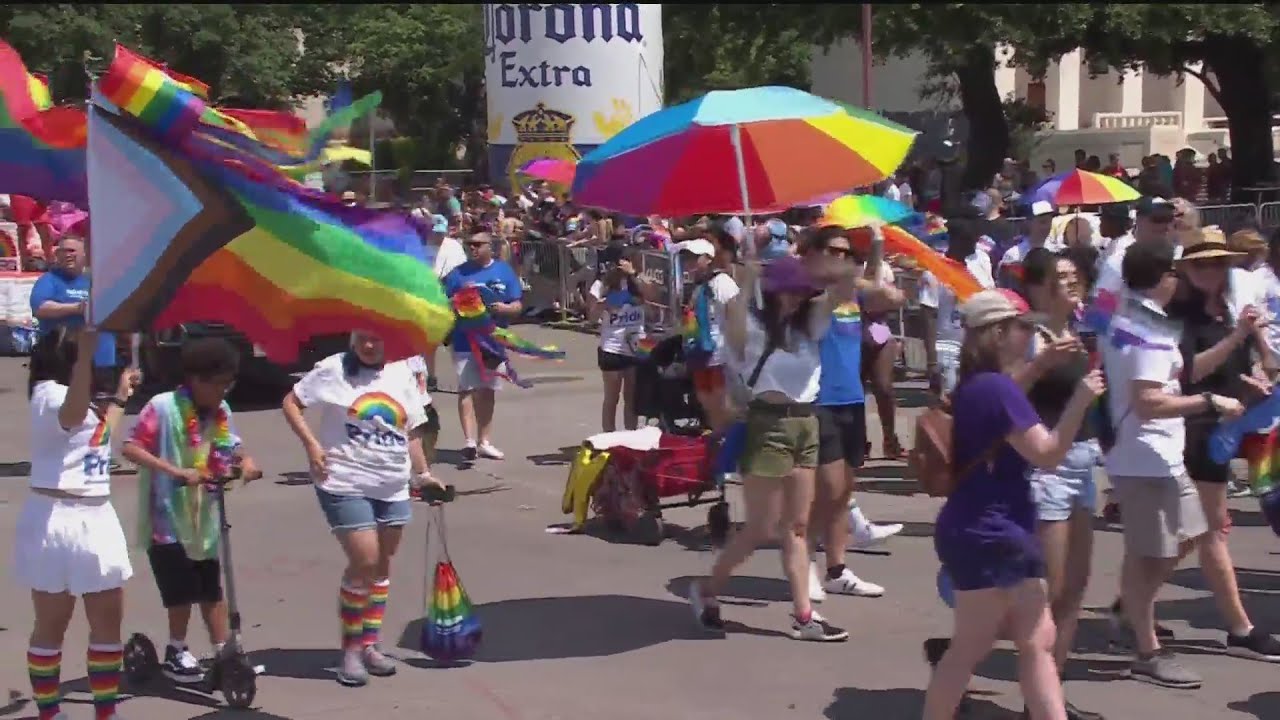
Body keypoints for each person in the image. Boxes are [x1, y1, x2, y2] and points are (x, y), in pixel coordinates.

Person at [923, 290, 1104, 720]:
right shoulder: (997, 388)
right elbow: (1049, 453)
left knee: (1035, 639)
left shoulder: (979, 386)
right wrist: (1080, 399)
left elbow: (1010, 403)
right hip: (993, 531)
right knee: (972, 649)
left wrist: (1042, 367)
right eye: (1025, 328)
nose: (1032, 336)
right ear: (999, 333)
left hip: (988, 527)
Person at [688, 255, 853, 642]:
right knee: (760, 527)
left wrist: (855, 250)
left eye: (799, 292)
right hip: (768, 424)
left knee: (796, 527)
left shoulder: (809, 324)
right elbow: (734, 323)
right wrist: (748, 280)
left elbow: (845, 284)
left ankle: (804, 617)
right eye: (787, 291)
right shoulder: (749, 325)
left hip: (805, 424)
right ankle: (707, 589)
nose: (794, 299)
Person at [1102, 240, 1235, 689]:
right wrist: (1210, 401)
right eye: (1175, 272)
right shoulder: (1146, 329)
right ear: (1164, 277)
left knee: (1194, 535)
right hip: (1146, 458)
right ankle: (1145, 647)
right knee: (1151, 559)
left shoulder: (1132, 319)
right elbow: (1148, 401)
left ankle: (1130, 613)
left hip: (1155, 456)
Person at [281, 330, 439, 686]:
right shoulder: (333, 369)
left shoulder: (404, 371)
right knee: (364, 560)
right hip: (343, 480)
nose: (370, 345)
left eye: (377, 338)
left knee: (382, 564)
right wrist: (312, 446)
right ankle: (351, 651)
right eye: (363, 339)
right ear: (352, 339)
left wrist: (425, 474)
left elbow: (411, 431)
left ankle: (370, 643)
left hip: (393, 483)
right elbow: (291, 403)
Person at [1156, 231, 1280, 664]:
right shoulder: (1179, 316)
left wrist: (1258, 349)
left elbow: (1267, 366)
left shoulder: (1229, 311)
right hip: (1193, 425)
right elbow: (1189, 372)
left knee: (1191, 533)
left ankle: (1129, 603)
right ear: (1186, 271)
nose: (1213, 271)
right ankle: (1240, 627)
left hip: (1226, 426)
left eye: (1220, 263)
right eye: (1202, 264)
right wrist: (1235, 338)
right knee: (1211, 529)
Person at [15, 327, 140, 720]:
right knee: (52, 622)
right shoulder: (49, 395)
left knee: (107, 622)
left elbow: (97, 438)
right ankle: (49, 713)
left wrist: (121, 395)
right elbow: (71, 415)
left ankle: (105, 713)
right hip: (56, 518)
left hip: (96, 516)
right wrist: (87, 356)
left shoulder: (80, 402)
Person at [121, 338, 261, 684]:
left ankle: (224, 652)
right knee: (180, 590)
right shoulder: (162, 406)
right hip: (165, 516)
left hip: (204, 518)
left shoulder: (221, 411)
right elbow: (131, 447)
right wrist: (176, 471)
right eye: (219, 384)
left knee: (211, 587)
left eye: (229, 384)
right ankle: (176, 650)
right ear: (197, 380)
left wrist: (246, 461)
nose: (224, 391)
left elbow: (232, 444)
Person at [1021, 250, 1106, 720]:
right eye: (1060, 277)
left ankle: (1053, 695)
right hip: (1045, 466)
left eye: (1075, 275)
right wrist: (1041, 365)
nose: (1071, 283)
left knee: (1076, 585)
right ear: (1037, 286)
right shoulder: (1029, 335)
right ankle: (1035, 699)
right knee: (1048, 593)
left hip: (1081, 460)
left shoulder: (1077, 332)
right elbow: (1005, 394)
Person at [802, 225, 904, 602]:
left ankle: (837, 569)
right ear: (813, 253)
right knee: (826, 492)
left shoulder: (852, 295)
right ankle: (807, 566)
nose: (840, 258)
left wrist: (875, 248)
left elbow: (888, 296)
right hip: (818, 400)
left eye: (847, 253)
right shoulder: (808, 292)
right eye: (833, 250)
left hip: (851, 400)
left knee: (843, 493)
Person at [443, 230, 523, 460]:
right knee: (467, 388)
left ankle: (484, 441)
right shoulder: (458, 273)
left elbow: (517, 304)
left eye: (478, 244)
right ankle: (469, 442)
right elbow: (444, 303)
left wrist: (505, 309)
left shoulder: (503, 271)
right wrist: (458, 301)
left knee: (487, 390)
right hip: (464, 339)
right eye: (470, 244)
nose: (473, 248)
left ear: (491, 246)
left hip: (493, 340)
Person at [29, 233, 119, 396]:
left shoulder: (98, 280)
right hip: (61, 358)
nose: (67, 255)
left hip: (101, 359)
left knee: (100, 414)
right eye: (62, 251)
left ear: (85, 254)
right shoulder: (49, 280)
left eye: (71, 251)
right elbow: (41, 308)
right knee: (61, 410)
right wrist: (78, 308)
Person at [586, 245, 654, 432]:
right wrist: (601, 306)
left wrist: (633, 275)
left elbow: (651, 296)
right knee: (612, 397)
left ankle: (630, 436)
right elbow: (591, 318)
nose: (622, 266)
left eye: (628, 261)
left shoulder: (639, 281)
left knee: (632, 397)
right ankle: (609, 437)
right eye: (620, 262)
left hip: (636, 345)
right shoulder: (601, 285)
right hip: (612, 346)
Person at [678, 232, 740, 431]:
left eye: (695, 258)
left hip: (720, 356)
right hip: (698, 354)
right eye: (687, 258)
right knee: (708, 407)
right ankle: (718, 444)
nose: (690, 263)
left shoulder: (723, 282)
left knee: (724, 407)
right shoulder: (693, 287)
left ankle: (728, 449)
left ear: (708, 259)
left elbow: (737, 316)